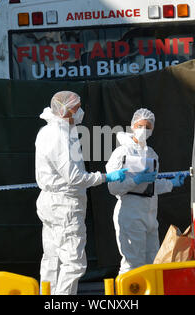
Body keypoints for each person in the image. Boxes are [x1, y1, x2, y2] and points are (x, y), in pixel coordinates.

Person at [35, 91, 133, 295]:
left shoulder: (47, 131)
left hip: (50, 202)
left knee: (52, 259)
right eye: (77, 107)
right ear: (68, 110)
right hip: (64, 205)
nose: (81, 111)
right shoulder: (60, 136)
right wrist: (106, 177)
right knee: (73, 264)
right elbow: (75, 177)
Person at [106, 108, 186, 274]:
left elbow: (151, 185)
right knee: (132, 264)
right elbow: (113, 187)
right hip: (130, 211)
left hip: (150, 212)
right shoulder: (121, 152)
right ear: (133, 126)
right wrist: (134, 181)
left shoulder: (152, 154)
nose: (144, 129)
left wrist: (171, 184)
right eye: (140, 125)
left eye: (148, 127)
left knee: (152, 262)